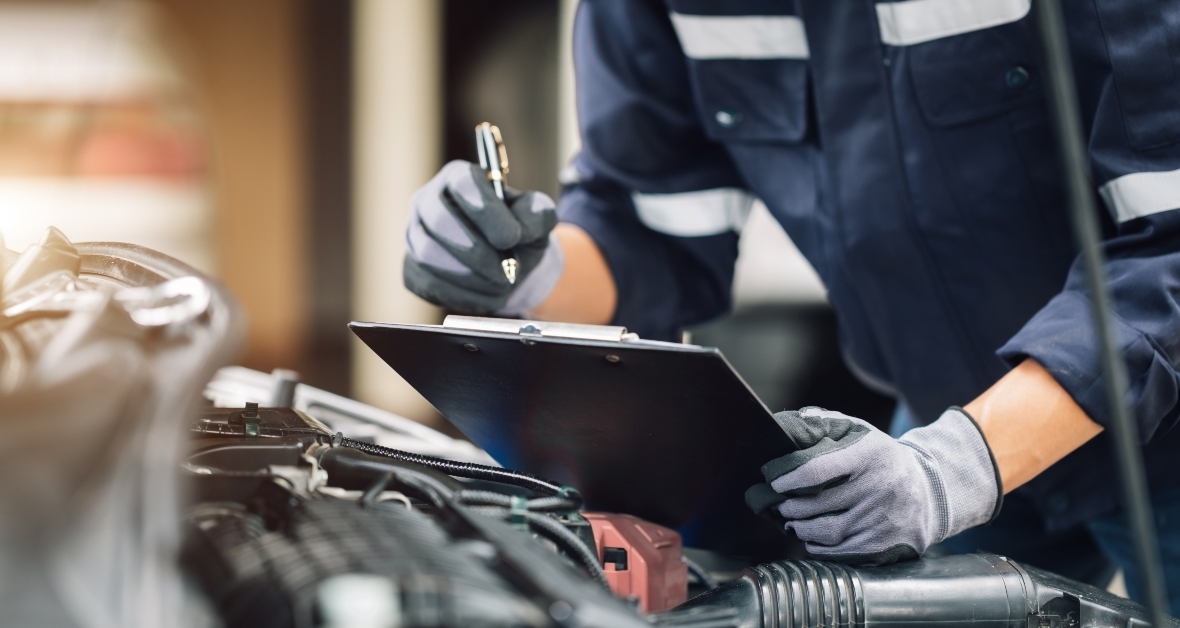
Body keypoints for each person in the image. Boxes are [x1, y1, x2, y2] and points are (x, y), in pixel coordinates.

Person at [403, 0, 1180, 609]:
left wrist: (958, 468)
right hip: (950, 416)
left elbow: (1171, 251)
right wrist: (518, 270)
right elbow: (648, 229)